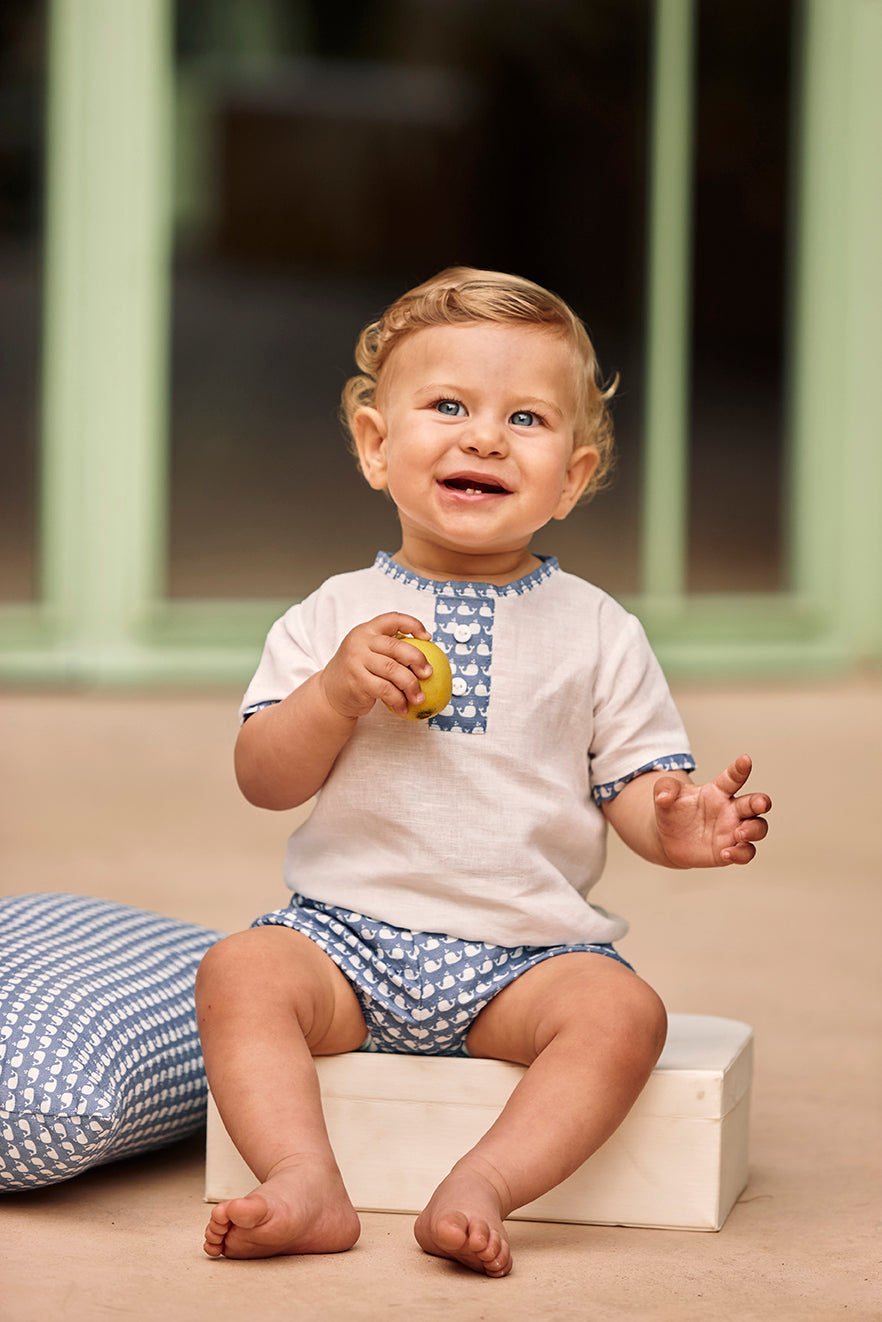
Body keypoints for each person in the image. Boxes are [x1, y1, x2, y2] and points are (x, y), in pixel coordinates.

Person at [195, 267, 771, 1276]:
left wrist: (677, 826)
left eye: (527, 419)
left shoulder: (598, 629)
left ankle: (486, 1180)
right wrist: (332, 693)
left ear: (575, 475)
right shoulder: (331, 614)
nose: (484, 437)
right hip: (344, 939)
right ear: (378, 445)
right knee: (239, 970)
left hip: (524, 957)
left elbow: (637, 782)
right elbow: (262, 777)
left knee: (623, 1013)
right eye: (449, 406)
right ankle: (303, 1177)